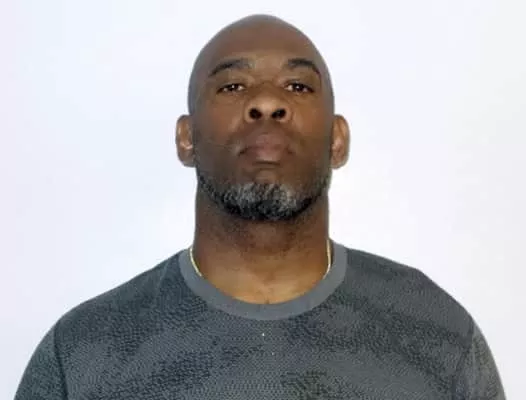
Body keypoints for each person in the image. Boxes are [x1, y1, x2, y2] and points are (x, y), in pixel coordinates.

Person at [15, 14, 505, 400]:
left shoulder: (437, 335)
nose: (267, 103)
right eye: (233, 86)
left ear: (337, 140)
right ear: (187, 138)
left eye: (298, 87)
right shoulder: (83, 354)